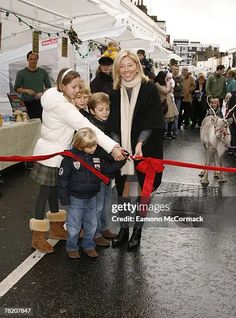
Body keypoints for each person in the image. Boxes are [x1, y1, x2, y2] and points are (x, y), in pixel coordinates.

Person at [29, 68, 125, 254]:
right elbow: (87, 127)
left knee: (55, 191)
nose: (77, 90)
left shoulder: (56, 96)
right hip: (51, 154)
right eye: (73, 87)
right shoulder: (63, 107)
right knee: (44, 194)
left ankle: (56, 228)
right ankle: (37, 237)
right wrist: (112, 146)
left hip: (60, 154)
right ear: (62, 86)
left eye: (79, 86)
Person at [106, 50, 163, 251]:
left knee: (141, 193)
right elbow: (111, 123)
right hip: (122, 152)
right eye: (122, 66)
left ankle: (137, 232)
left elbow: (152, 120)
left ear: (138, 66)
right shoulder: (114, 90)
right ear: (117, 69)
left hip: (145, 149)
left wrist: (140, 143)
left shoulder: (148, 89)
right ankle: (123, 230)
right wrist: (116, 146)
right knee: (122, 192)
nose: (126, 70)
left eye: (130, 65)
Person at [57, 128, 125, 259]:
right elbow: (62, 179)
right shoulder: (69, 159)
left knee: (92, 224)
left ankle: (88, 245)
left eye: (95, 145)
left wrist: (121, 161)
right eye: (91, 146)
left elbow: (108, 169)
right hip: (76, 199)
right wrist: (64, 198)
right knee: (74, 226)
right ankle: (71, 247)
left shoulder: (97, 158)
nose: (94, 148)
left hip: (92, 197)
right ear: (80, 145)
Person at [88, 92, 118, 247]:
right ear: (92, 111)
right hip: (98, 171)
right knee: (97, 204)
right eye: (101, 109)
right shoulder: (92, 128)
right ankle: (95, 233)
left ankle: (104, 227)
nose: (105, 112)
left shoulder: (108, 124)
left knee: (106, 201)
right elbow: (97, 150)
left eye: (107, 109)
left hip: (108, 171)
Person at [14, 51, 51, 120]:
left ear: (37, 59)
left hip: (41, 103)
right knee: (28, 125)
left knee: (40, 122)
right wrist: (26, 90)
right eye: (31, 59)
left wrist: (42, 93)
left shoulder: (43, 72)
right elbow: (16, 88)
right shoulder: (21, 73)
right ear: (27, 60)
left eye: (35, 59)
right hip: (26, 103)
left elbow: (48, 87)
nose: (33, 61)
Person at [155, 71, 179, 139]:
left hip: (169, 101)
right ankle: (163, 134)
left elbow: (170, 89)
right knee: (164, 119)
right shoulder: (157, 84)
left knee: (171, 118)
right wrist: (168, 84)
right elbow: (165, 91)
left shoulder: (164, 83)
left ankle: (169, 132)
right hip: (163, 103)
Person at [171, 64, 183, 133]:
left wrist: (173, 85)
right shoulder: (169, 77)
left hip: (177, 98)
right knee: (169, 114)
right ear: (172, 69)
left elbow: (180, 88)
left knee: (176, 114)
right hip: (170, 98)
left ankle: (175, 129)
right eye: (174, 69)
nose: (175, 71)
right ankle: (168, 130)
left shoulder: (180, 78)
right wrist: (176, 84)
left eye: (177, 69)